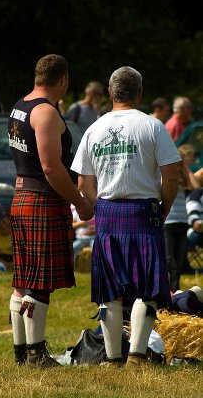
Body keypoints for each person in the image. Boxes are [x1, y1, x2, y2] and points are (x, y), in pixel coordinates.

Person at [71, 66, 181, 366]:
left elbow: (83, 182)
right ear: (140, 93)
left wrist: (100, 208)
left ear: (110, 93)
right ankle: (137, 356)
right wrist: (165, 206)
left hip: (107, 211)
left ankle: (112, 358)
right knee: (147, 285)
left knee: (110, 287)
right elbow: (172, 175)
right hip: (144, 210)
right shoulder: (152, 126)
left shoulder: (94, 128)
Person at [8, 54, 94, 367]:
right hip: (42, 200)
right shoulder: (45, 112)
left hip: (22, 197)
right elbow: (50, 167)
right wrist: (80, 201)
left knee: (23, 279)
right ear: (63, 81)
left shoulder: (20, 105)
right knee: (38, 282)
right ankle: (35, 354)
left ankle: (22, 353)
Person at [163, 145, 200, 292]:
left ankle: (174, 289)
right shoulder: (165, 175)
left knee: (178, 260)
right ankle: (169, 288)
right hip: (168, 222)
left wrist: (185, 168)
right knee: (169, 258)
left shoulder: (183, 177)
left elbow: (196, 187)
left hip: (182, 222)